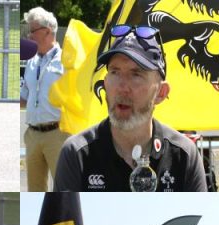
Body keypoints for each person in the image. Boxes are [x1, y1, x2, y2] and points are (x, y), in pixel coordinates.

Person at [53, 26, 207, 192]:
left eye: (136, 74)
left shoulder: (183, 156)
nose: (122, 87)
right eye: (115, 72)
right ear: (105, 83)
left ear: (161, 93)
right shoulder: (77, 154)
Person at [21, 7, 66, 191]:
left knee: (63, 190)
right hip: (32, 134)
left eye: (33, 31)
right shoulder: (31, 61)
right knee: (34, 190)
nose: (29, 36)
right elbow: (25, 96)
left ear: (48, 32)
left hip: (58, 134)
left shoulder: (66, 60)